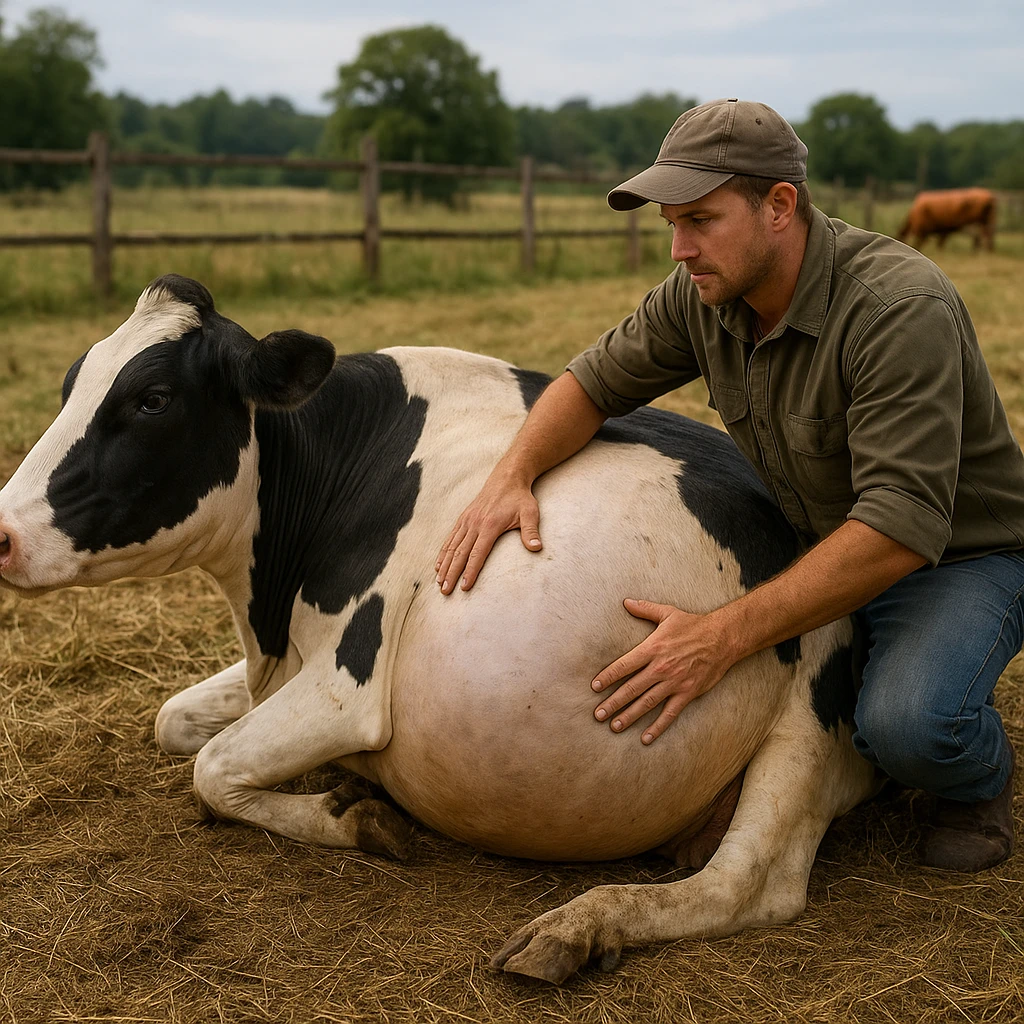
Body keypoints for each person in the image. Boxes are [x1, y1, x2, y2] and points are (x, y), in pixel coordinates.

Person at [434, 97, 1024, 873]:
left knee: (910, 724)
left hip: (950, 556)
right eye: (670, 224)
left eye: (701, 220)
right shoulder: (705, 294)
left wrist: (720, 638)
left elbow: (898, 529)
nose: (679, 248)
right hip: (813, 538)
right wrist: (509, 475)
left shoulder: (896, 308)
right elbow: (591, 384)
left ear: (779, 206)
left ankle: (976, 776)